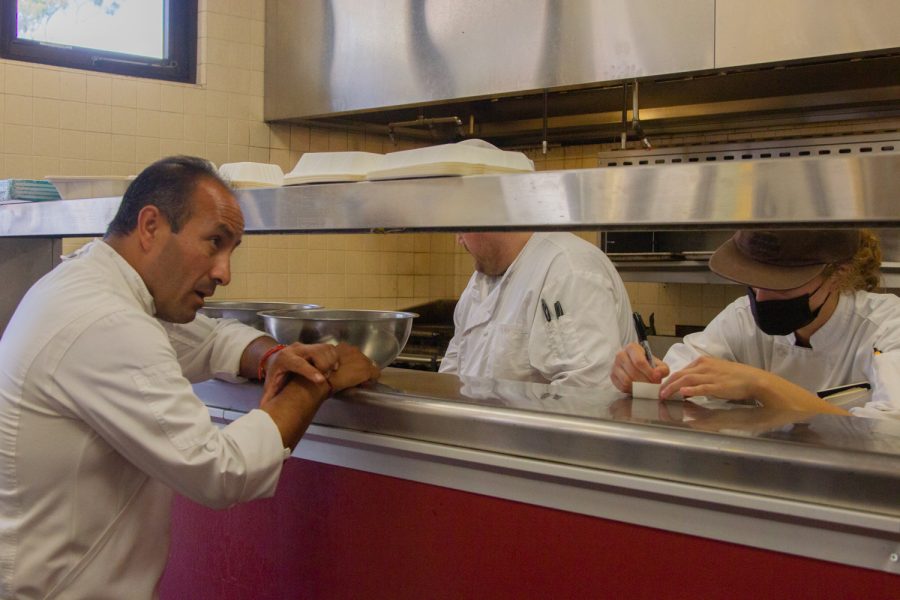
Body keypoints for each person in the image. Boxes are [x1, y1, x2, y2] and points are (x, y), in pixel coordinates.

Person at [0, 156, 380, 598]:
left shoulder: (94, 286)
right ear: (150, 227)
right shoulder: (106, 320)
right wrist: (317, 381)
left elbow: (209, 339)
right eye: (213, 242)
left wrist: (274, 356)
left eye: (231, 250)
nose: (224, 272)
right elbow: (221, 471)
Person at [610, 229, 900, 419]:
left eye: (781, 285)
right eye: (754, 281)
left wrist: (761, 385)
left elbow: (889, 432)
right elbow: (676, 378)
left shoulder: (887, 325)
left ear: (838, 274)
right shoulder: (741, 319)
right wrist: (644, 376)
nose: (760, 298)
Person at [440, 231, 636, 388]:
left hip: (540, 437)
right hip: (484, 434)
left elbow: (586, 391)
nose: (458, 239)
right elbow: (452, 373)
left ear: (491, 215)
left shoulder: (568, 269)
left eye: (462, 228)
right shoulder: (479, 282)